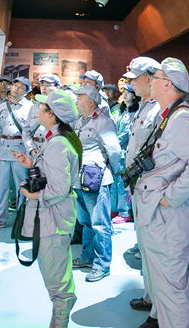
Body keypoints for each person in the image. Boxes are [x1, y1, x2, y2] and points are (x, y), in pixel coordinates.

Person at [133, 58, 189, 328]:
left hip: (167, 213)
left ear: (167, 83)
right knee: (160, 279)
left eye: (154, 77)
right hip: (156, 210)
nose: (150, 81)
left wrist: (171, 197)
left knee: (171, 284)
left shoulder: (181, 118)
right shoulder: (167, 114)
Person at [13, 90, 82, 328]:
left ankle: (60, 322)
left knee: (57, 280)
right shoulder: (56, 139)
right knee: (55, 274)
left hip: (53, 219)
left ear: (52, 114)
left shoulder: (58, 144)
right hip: (52, 217)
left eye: (43, 107)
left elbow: (58, 188)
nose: (38, 110)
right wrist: (33, 163)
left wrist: (33, 195)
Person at [122, 56, 162, 314]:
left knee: (155, 251)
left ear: (149, 78)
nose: (131, 83)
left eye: (134, 78)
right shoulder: (145, 106)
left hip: (151, 187)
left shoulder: (159, 109)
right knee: (145, 248)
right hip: (138, 184)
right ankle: (150, 297)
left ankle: (159, 310)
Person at [71, 84, 122, 282]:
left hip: (95, 179)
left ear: (90, 102)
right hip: (79, 179)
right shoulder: (79, 120)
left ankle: (102, 265)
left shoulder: (104, 122)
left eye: (79, 98)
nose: (76, 101)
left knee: (100, 224)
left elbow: (114, 151)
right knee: (85, 222)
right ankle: (87, 257)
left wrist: (111, 170)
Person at [0, 76, 33, 229]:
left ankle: (22, 218)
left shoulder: (30, 107)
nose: (16, 89)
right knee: (2, 187)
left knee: (22, 186)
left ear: (26, 92)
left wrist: (30, 152)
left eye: (21, 87)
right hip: (4, 150)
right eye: (15, 85)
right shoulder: (3, 106)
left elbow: (30, 132)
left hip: (20, 151)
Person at [111, 83, 137, 224]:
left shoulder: (134, 112)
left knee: (123, 183)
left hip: (124, 151)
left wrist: (114, 142)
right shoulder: (121, 110)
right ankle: (114, 208)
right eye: (124, 92)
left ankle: (124, 211)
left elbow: (127, 133)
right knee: (115, 182)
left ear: (134, 95)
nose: (125, 94)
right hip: (117, 151)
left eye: (129, 92)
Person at [23, 73, 61, 157]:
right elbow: (26, 130)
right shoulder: (34, 107)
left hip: (53, 150)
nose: (44, 88)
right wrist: (31, 148)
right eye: (42, 85)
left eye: (48, 85)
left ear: (57, 88)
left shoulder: (61, 108)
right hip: (35, 150)